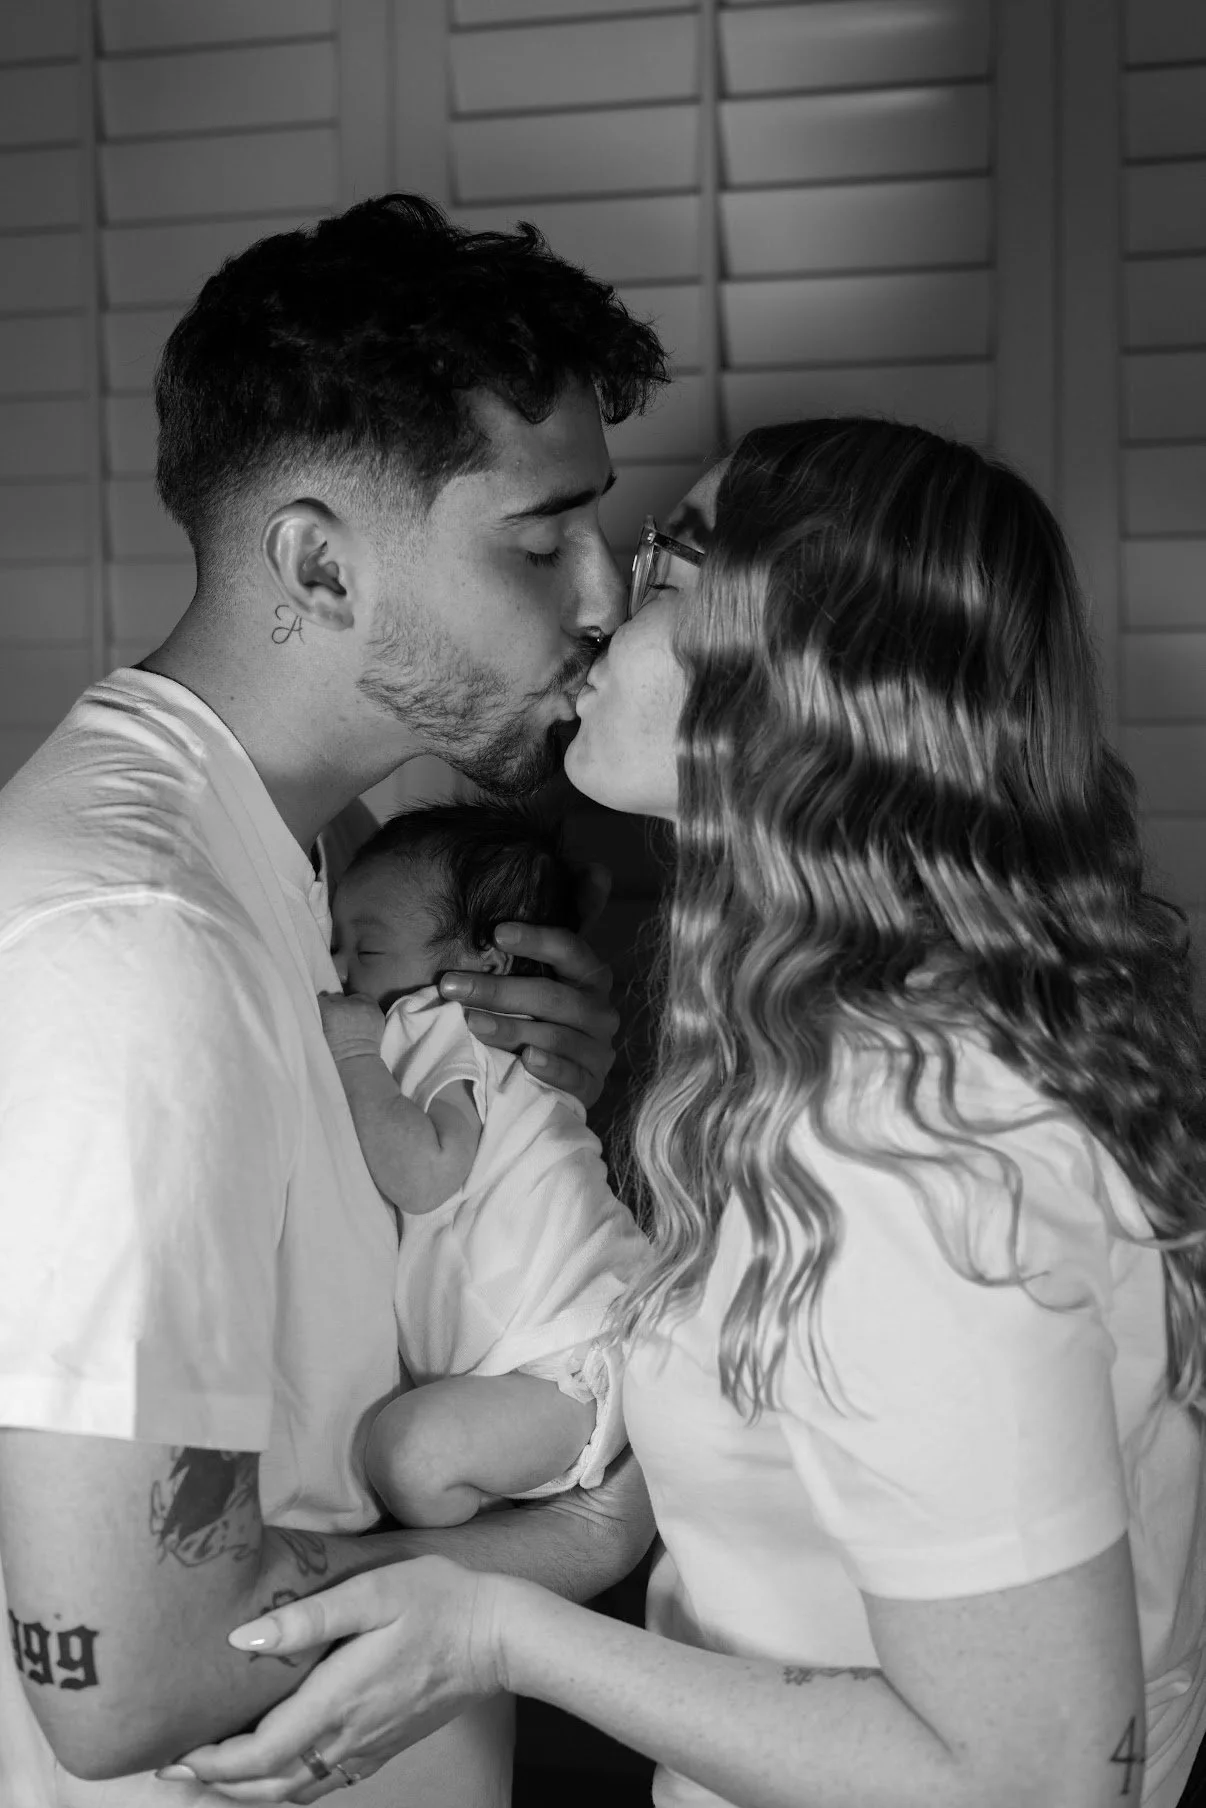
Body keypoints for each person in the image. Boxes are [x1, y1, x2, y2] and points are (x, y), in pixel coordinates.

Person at [175, 418, 1206, 1808]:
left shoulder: (903, 1146)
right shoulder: (837, 1055)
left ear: (814, 671)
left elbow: (1033, 1775)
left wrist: (492, 1629)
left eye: (668, 567)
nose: (597, 609)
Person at [0, 192, 670, 1807]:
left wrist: (538, 1138)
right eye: (537, 535)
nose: (607, 593)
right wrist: (593, 1519)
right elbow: (126, 1664)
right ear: (318, 560)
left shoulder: (309, 864)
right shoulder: (134, 943)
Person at [320, 799, 648, 1527]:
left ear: (483, 964)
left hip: (563, 1357)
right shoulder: (458, 1032)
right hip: (546, 1358)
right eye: (336, 945)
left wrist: (350, 1056)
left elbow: (429, 1170)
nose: (340, 972)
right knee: (418, 1450)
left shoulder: (436, 1022)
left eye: (365, 950)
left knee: (413, 1455)